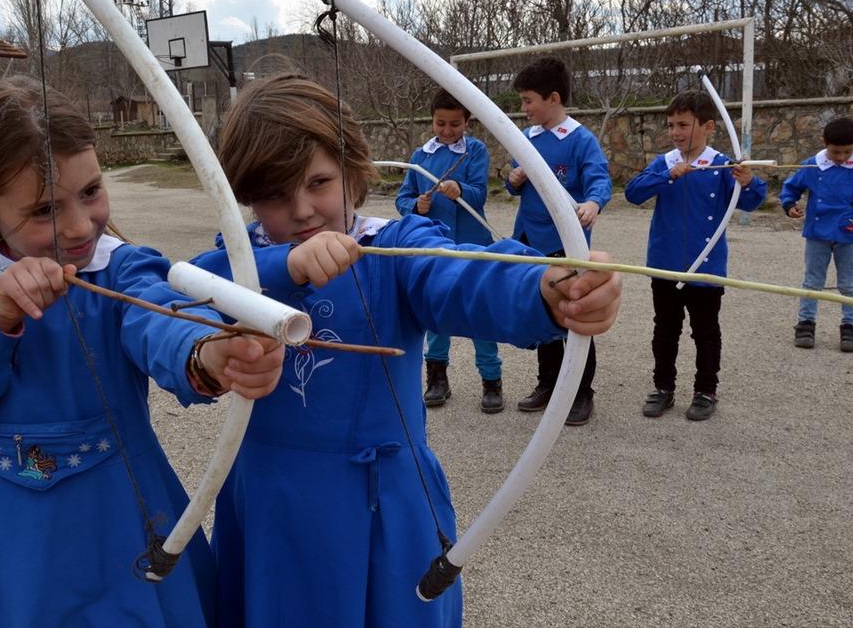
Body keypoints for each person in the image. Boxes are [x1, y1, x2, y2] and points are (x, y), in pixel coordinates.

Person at [192, 73, 623, 628]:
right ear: (245, 198)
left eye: (319, 182)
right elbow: (193, 292)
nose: (302, 211)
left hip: (384, 502)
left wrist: (548, 290)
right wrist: (286, 266)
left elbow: (463, 277)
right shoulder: (241, 262)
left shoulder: (394, 245)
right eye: (274, 195)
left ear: (352, 173)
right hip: (271, 500)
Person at [0, 77, 284, 628]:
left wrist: (208, 351)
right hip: (3, 552)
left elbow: (157, 315)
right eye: (44, 210)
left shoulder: (119, 267)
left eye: (91, 191)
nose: (78, 225)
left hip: (124, 526)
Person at [625, 89, 767, 421]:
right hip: (665, 264)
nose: (675, 132)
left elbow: (750, 202)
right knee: (665, 329)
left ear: (708, 127)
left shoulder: (722, 166)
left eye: (684, 125)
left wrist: (748, 182)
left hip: (706, 265)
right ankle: (663, 388)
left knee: (705, 331)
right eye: (671, 125)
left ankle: (705, 391)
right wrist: (665, 176)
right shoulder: (665, 162)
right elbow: (633, 193)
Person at [504, 56, 611, 426]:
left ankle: (582, 393)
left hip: (567, 244)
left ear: (553, 98)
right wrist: (513, 180)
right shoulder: (525, 139)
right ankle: (548, 384)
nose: (524, 109)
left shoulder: (581, 139)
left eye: (528, 100)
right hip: (531, 241)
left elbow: (599, 178)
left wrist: (594, 202)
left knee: (575, 317)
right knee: (544, 313)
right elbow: (512, 185)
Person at [395, 89, 503, 413]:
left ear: (467, 122)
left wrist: (462, 191)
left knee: (479, 312)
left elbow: (481, 194)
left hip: (473, 245)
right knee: (437, 313)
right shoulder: (420, 157)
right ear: (432, 121)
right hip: (436, 247)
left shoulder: (476, 151)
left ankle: (491, 380)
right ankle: (437, 379)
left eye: (455, 124)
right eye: (440, 123)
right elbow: (402, 200)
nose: (446, 130)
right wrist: (417, 204)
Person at [780, 117, 853, 352]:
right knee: (812, 280)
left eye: (848, 151)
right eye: (836, 152)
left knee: (849, 283)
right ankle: (806, 324)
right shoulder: (812, 165)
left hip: (851, 233)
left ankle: (851, 327)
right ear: (824, 143)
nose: (842, 157)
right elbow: (791, 186)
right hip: (817, 232)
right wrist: (789, 204)